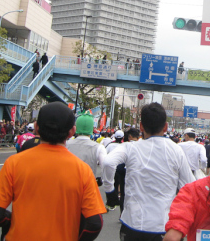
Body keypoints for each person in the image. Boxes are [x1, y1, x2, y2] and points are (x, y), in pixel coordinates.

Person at [0, 101, 106, 241]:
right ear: (72, 131)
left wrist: (11, 223)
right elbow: (95, 223)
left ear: (36, 127)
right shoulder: (83, 170)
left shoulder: (14, 163)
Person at [106, 102, 194, 240]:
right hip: (163, 225)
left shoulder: (130, 147)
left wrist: (110, 191)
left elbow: (108, 162)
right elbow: (189, 186)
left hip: (132, 223)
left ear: (141, 126)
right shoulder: (176, 150)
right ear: (165, 127)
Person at [103, 128, 140, 211]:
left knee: (118, 188)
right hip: (134, 175)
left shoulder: (116, 145)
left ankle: (114, 203)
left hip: (117, 170)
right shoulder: (140, 147)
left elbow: (106, 160)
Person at [67, 112, 107, 186]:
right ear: (91, 128)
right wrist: (103, 180)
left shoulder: (66, 144)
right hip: (88, 186)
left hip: (67, 185)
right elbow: (106, 166)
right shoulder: (98, 147)